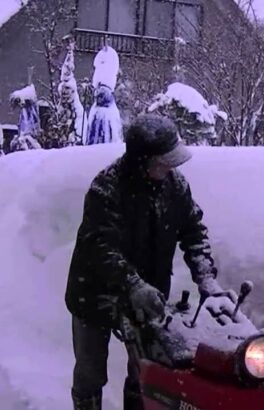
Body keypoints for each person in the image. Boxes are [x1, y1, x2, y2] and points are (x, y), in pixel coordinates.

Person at [65, 114, 228, 410]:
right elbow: (101, 249)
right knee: (90, 373)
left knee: (144, 371)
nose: (169, 168)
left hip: (146, 298)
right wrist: (133, 284)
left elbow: (193, 231)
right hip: (94, 295)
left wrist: (206, 278)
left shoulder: (175, 186)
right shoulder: (107, 189)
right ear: (141, 160)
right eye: (162, 162)